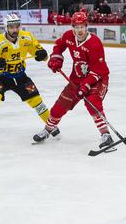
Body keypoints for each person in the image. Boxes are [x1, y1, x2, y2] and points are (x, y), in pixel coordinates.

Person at [33, 12, 112, 148]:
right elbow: (58, 46)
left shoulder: (95, 43)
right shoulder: (69, 36)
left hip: (98, 78)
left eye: (82, 27)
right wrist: (56, 58)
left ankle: (105, 134)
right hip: (77, 79)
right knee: (59, 107)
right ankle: (47, 130)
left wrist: (86, 86)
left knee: (92, 103)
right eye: (76, 27)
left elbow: (97, 70)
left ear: (87, 27)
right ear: (72, 27)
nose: (79, 30)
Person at [0, 14, 50, 145]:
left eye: (17, 26)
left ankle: (50, 125)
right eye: (11, 27)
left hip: (19, 76)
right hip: (0, 77)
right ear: (6, 27)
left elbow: (39, 52)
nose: (15, 30)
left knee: (36, 100)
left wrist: (42, 54)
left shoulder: (26, 37)